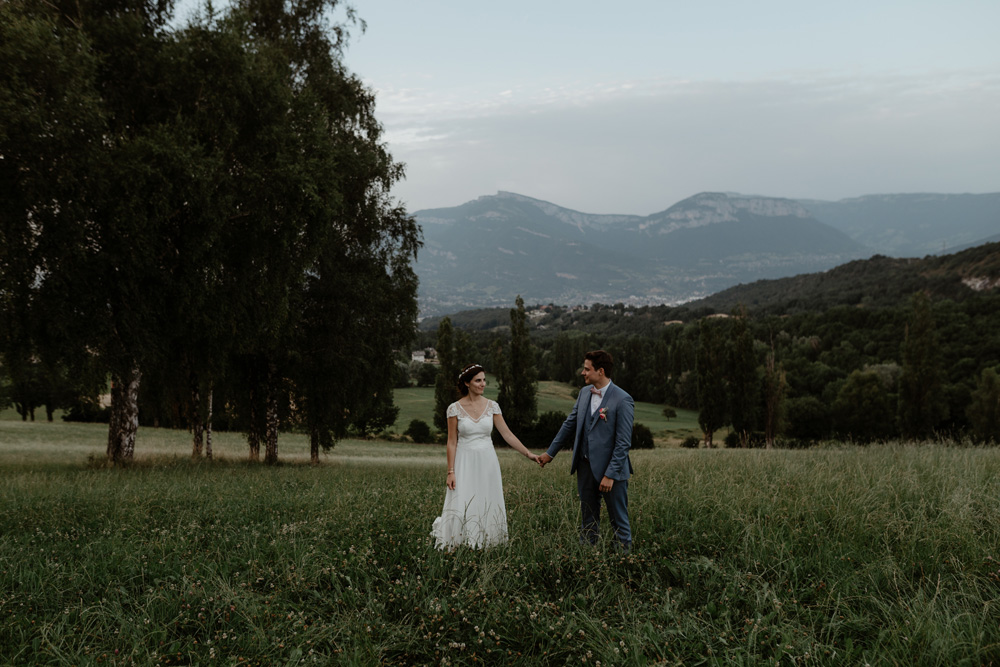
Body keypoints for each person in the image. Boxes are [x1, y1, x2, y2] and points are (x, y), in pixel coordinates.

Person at [431, 364, 538, 549]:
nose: (483, 384)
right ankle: (460, 540)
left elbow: (507, 434)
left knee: (487, 498)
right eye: (478, 380)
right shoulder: (454, 409)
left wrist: (528, 454)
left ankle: (489, 539)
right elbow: (452, 442)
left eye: (484, 380)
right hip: (464, 461)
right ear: (467, 383)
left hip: (488, 461)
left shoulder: (492, 406)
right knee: (463, 498)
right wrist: (450, 471)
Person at [537, 350, 634, 550]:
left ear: (601, 371)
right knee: (588, 518)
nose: (583, 372)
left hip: (611, 472)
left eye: (587, 369)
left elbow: (623, 442)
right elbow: (569, 425)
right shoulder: (583, 393)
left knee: (618, 520)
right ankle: (587, 556)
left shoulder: (623, 399)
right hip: (585, 467)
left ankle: (624, 560)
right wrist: (550, 453)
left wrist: (610, 474)